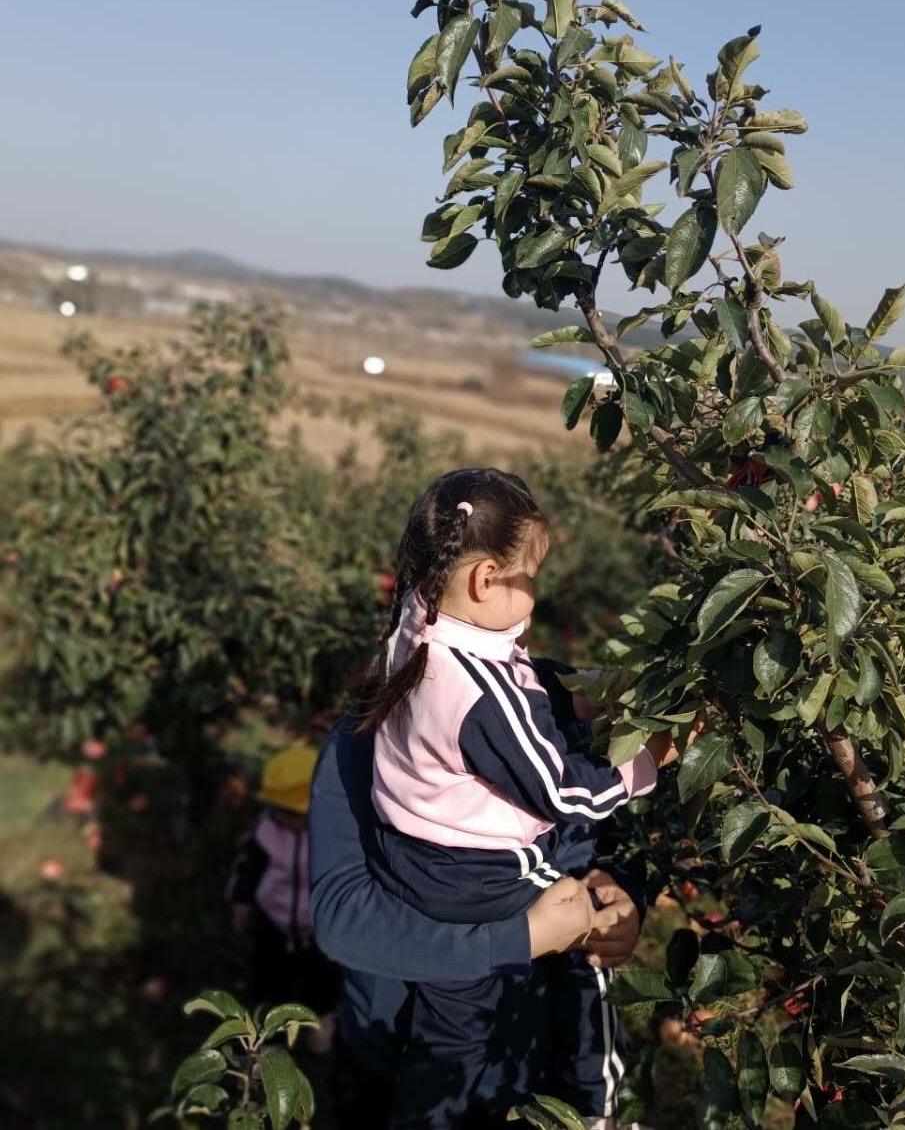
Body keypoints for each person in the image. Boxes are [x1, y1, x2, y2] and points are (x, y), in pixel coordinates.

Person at [352, 468, 682, 1130]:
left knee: (451, 1030)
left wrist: (589, 688)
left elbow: (517, 677)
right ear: (483, 581)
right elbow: (567, 792)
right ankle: (592, 1107)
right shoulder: (479, 697)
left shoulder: (415, 630)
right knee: (579, 913)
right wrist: (652, 759)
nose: (534, 594)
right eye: (528, 578)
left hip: (415, 861)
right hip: (479, 878)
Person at [309, 706, 645, 1129]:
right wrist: (520, 939)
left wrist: (627, 895)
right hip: (393, 1048)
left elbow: (610, 840)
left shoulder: (552, 714)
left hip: (525, 1057)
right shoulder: (364, 740)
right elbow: (344, 918)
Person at [228, 745, 341, 1050]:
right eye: (282, 812)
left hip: (318, 924)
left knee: (322, 980)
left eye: (296, 813)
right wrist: (242, 902)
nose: (288, 820)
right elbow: (247, 870)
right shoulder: (264, 834)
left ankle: (320, 1027)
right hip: (273, 922)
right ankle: (269, 1040)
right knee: (269, 981)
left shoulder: (328, 833)